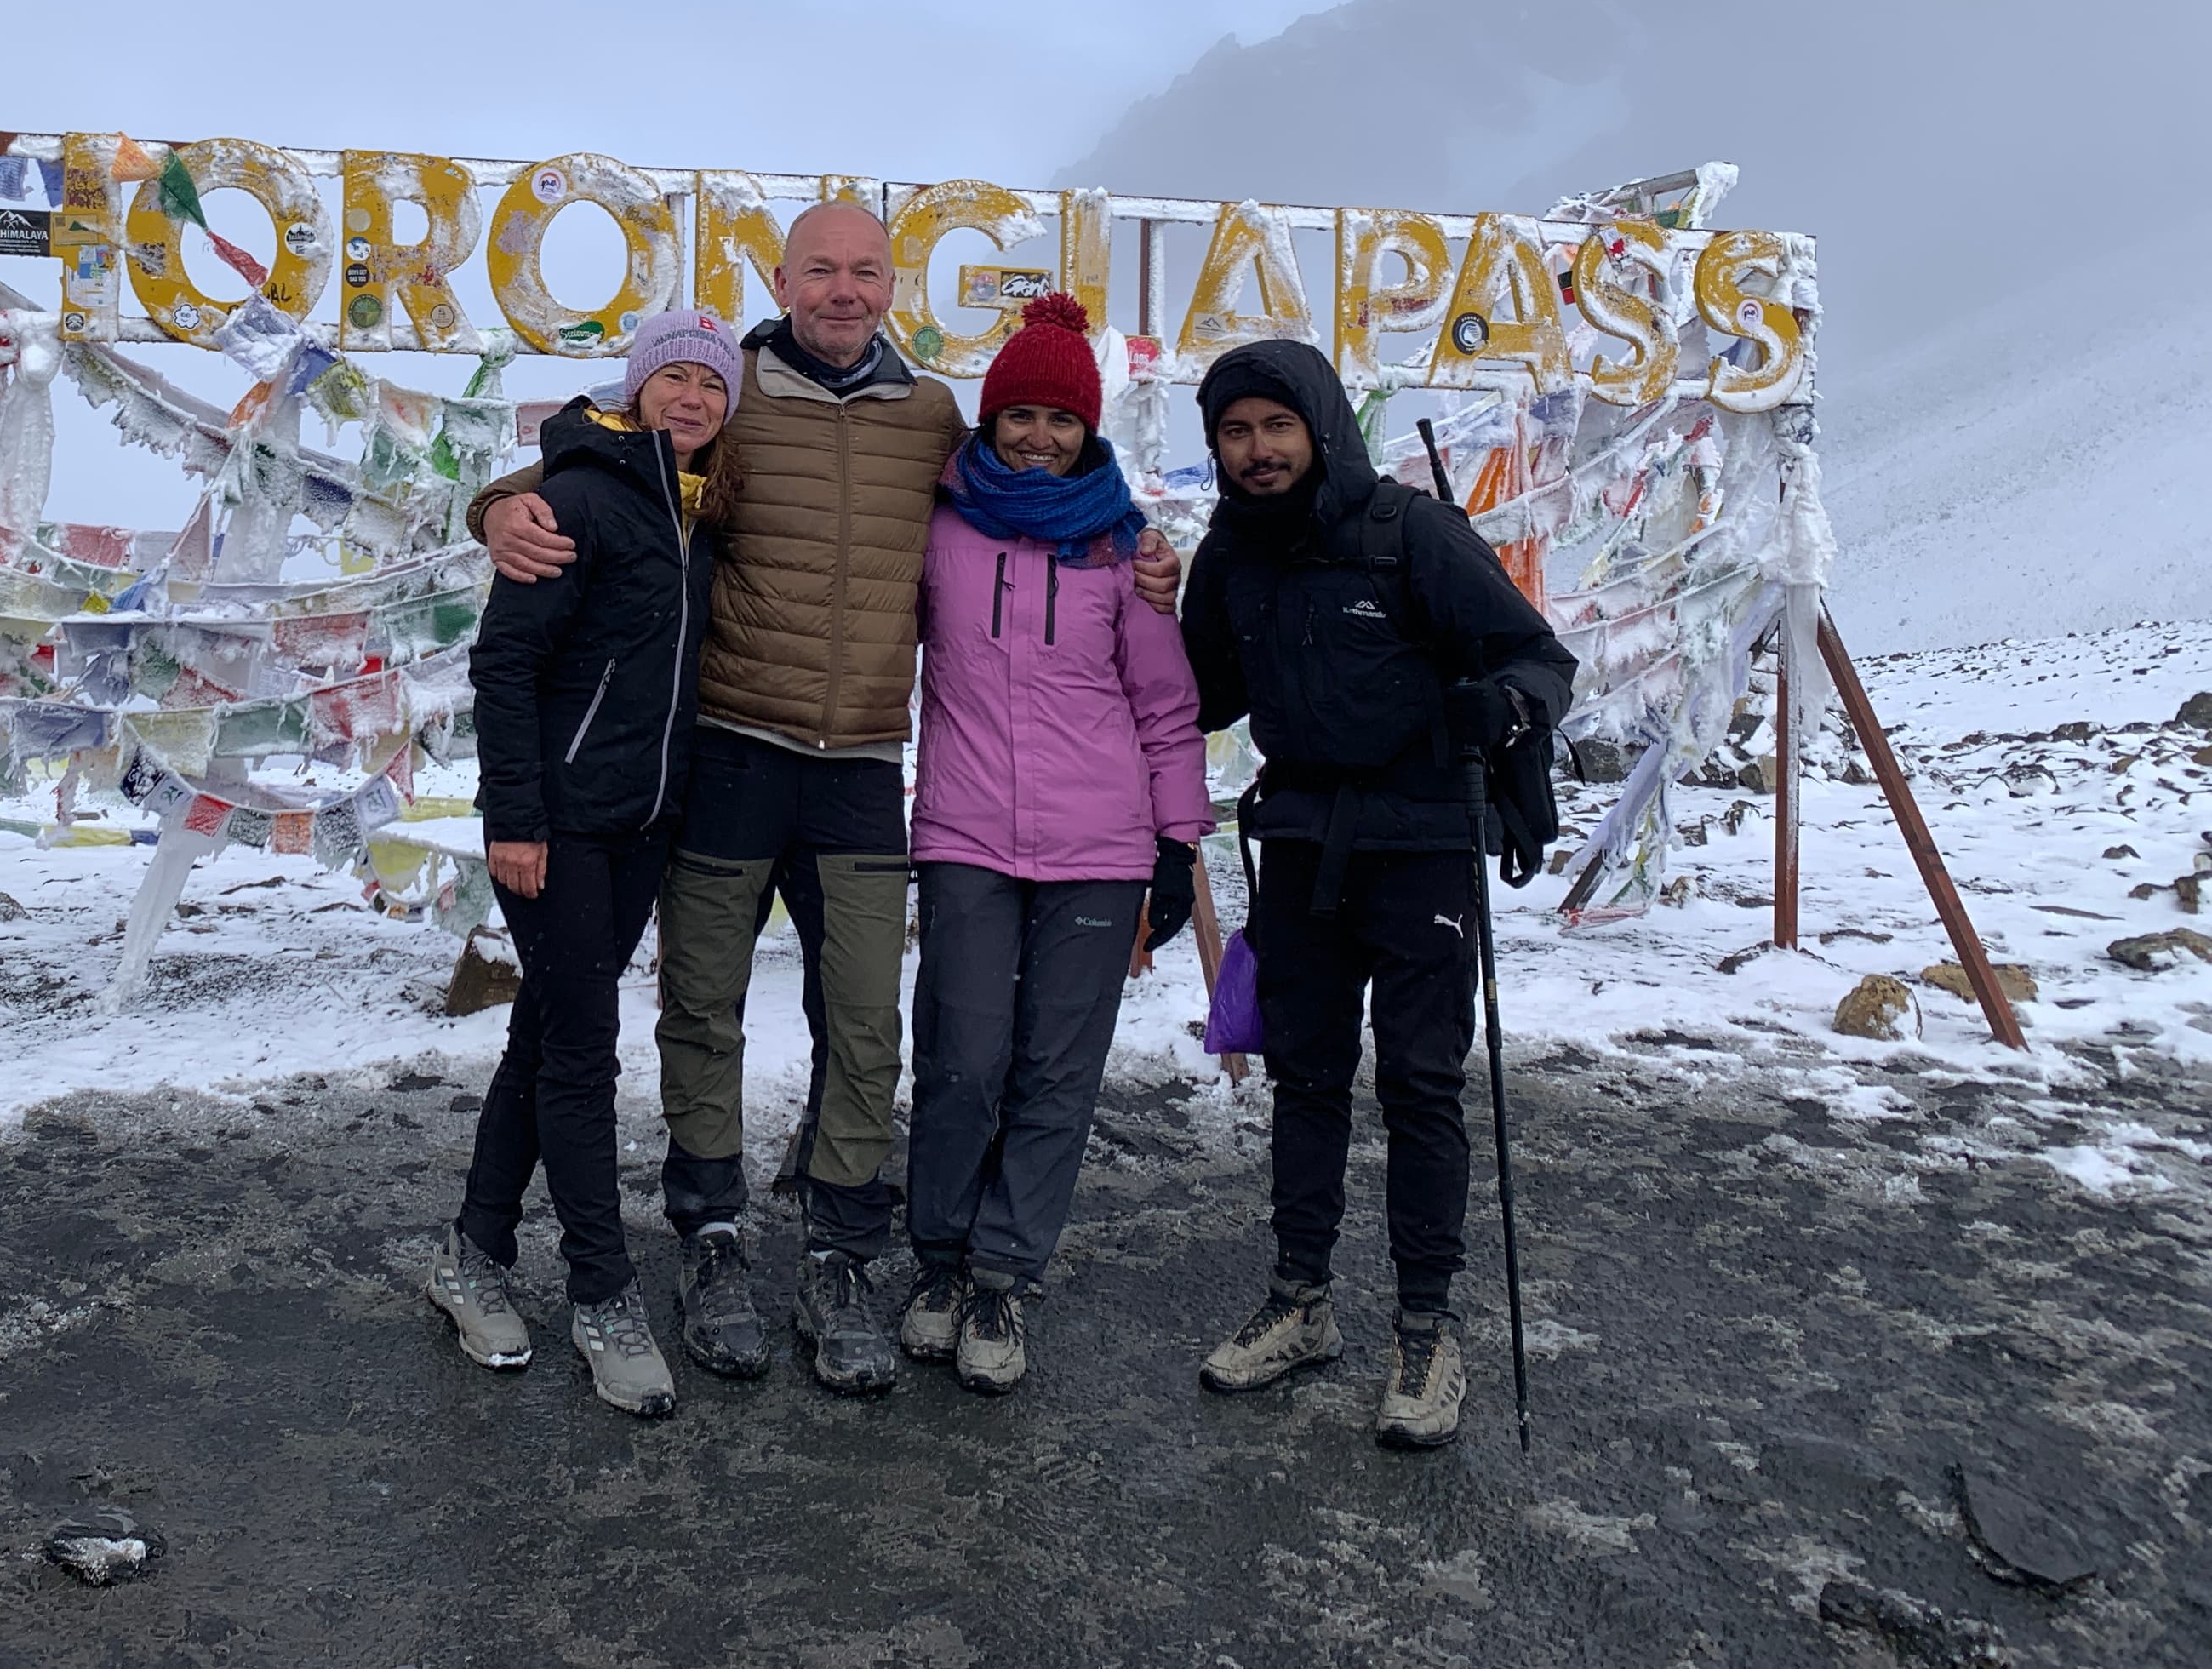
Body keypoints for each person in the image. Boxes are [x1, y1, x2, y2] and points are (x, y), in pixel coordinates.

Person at [477, 206, 1182, 1393]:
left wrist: (1153, 553)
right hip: (730, 754)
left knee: (865, 1024)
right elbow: (608, 456)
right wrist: (495, 505)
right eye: (821, 270)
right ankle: (708, 1232)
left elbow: (1043, 499)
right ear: (783, 277)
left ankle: (845, 1247)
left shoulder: (933, 419)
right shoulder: (730, 390)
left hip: (862, 764)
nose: (843, 291)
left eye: (864, 271)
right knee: (703, 1008)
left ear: (890, 281)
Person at [1178, 338, 1574, 1449]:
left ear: (1320, 428)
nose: (1257, 452)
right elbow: (1204, 694)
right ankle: (1301, 1301)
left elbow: (1542, 659)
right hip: (1301, 839)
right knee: (1305, 1080)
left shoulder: (1412, 533)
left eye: (1275, 428)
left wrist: (1504, 708)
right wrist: (1144, 605)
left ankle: (1425, 1330)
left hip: (1424, 848)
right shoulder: (1230, 560)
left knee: (1419, 1086)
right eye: (1236, 434)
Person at [897, 295, 1211, 1395]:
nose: (1038, 436)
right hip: (968, 834)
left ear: (1089, 431)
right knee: (963, 1060)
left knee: (1054, 1072)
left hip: (1101, 846)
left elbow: (1166, 708)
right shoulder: (937, 525)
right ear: (989, 420)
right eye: (1019, 414)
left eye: (1060, 420)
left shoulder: (1126, 550)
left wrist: (1175, 846)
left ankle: (1003, 1275)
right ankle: (936, 1260)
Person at [426, 308, 734, 1418]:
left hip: (641, 826)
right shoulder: (579, 502)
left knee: (547, 1030)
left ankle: (472, 1251)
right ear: (638, 388)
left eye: (713, 385)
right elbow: (504, 667)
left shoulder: (697, 513)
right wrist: (514, 818)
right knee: (583, 1056)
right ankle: (601, 1292)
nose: (693, 398)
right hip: (556, 826)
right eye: (676, 379)